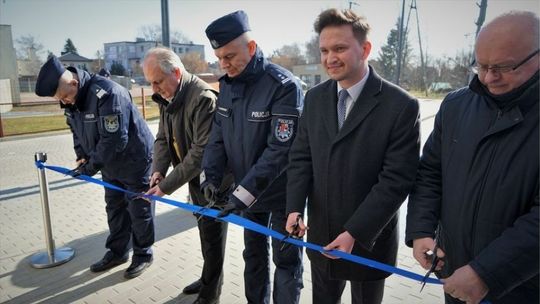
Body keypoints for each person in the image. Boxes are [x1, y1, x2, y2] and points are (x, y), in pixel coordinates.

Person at [286, 8, 420, 304]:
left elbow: (396, 180)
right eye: (324, 50)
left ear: (365, 49)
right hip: (322, 235)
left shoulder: (401, 106)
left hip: (369, 240)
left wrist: (355, 233)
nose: (330, 58)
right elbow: (301, 158)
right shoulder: (315, 98)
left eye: (340, 48)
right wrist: (294, 208)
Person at [406, 11, 539, 304]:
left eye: (504, 67)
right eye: (481, 65)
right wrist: (421, 231)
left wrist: (487, 273)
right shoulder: (456, 106)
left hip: (522, 288)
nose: (489, 78)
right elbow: (429, 173)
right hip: (457, 278)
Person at [201, 10, 304, 304]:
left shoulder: (283, 86)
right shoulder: (227, 87)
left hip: (284, 193)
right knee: (253, 256)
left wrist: (242, 194)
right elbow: (217, 138)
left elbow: (280, 150)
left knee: (286, 263)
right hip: (247, 194)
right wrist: (211, 177)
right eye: (219, 57)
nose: (224, 64)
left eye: (230, 56)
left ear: (251, 47)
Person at [35, 56, 155, 279]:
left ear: (74, 83)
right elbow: (75, 129)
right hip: (108, 163)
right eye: (60, 100)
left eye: (65, 97)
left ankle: (143, 254)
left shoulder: (107, 93)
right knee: (115, 208)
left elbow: (115, 139)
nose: (65, 102)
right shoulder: (71, 99)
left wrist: (89, 168)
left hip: (134, 161)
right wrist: (81, 155)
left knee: (139, 210)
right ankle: (118, 252)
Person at [142, 47, 232, 304]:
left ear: (176, 72)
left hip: (214, 181)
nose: (154, 88)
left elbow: (200, 153)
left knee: (213, 239)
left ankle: (210, 295)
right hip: (193, 177)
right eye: (151, 83)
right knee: (206, 234)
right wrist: (158, 171)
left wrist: (166, 186)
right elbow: (162, 138)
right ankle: (208, 278)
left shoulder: (203, 98)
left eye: (157, 81)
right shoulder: (168, 95)